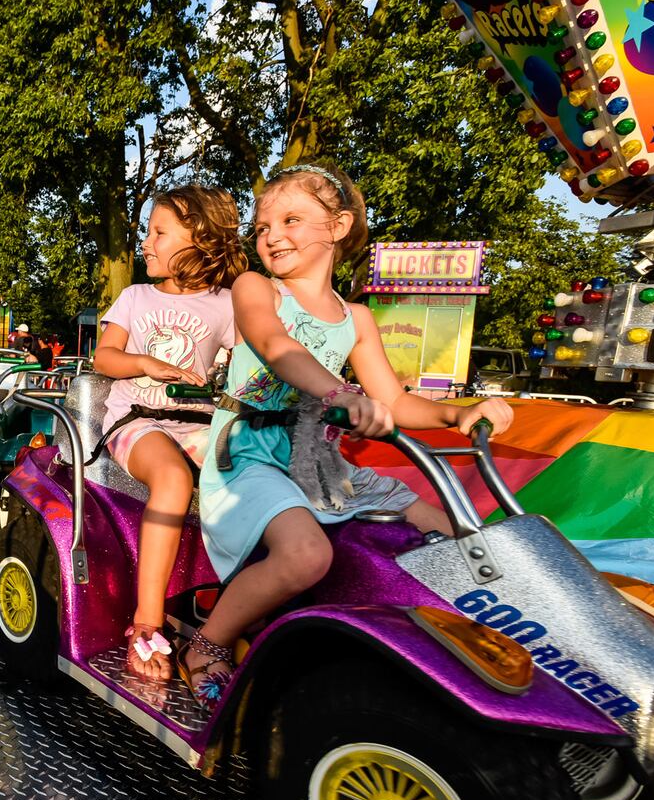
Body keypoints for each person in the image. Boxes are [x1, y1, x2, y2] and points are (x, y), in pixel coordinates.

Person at [188, 164, 513, 705]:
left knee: (452, 527)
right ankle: (207, 643)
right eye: (263, 226)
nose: (272, 236)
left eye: (292, 219)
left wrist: (458, 414)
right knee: (305, 556)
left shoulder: (356, 317)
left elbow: (395, 401)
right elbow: (274, 346)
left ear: (337, 226)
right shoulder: (256, 289)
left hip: (318, 461)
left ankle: (481, 642)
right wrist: (338, 394)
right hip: (249, 455)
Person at [94, 185, 241, 680]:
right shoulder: (135, 296)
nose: (147, 243)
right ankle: (147, 620)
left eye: (159, 232)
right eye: (147, 232)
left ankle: (226, 615)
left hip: (196, 422)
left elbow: (251, 364)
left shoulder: (225, 304)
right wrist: (145, 364)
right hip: (135, 418)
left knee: (250, 476)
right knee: (175, 480)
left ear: (199, 238)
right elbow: (104, 358)